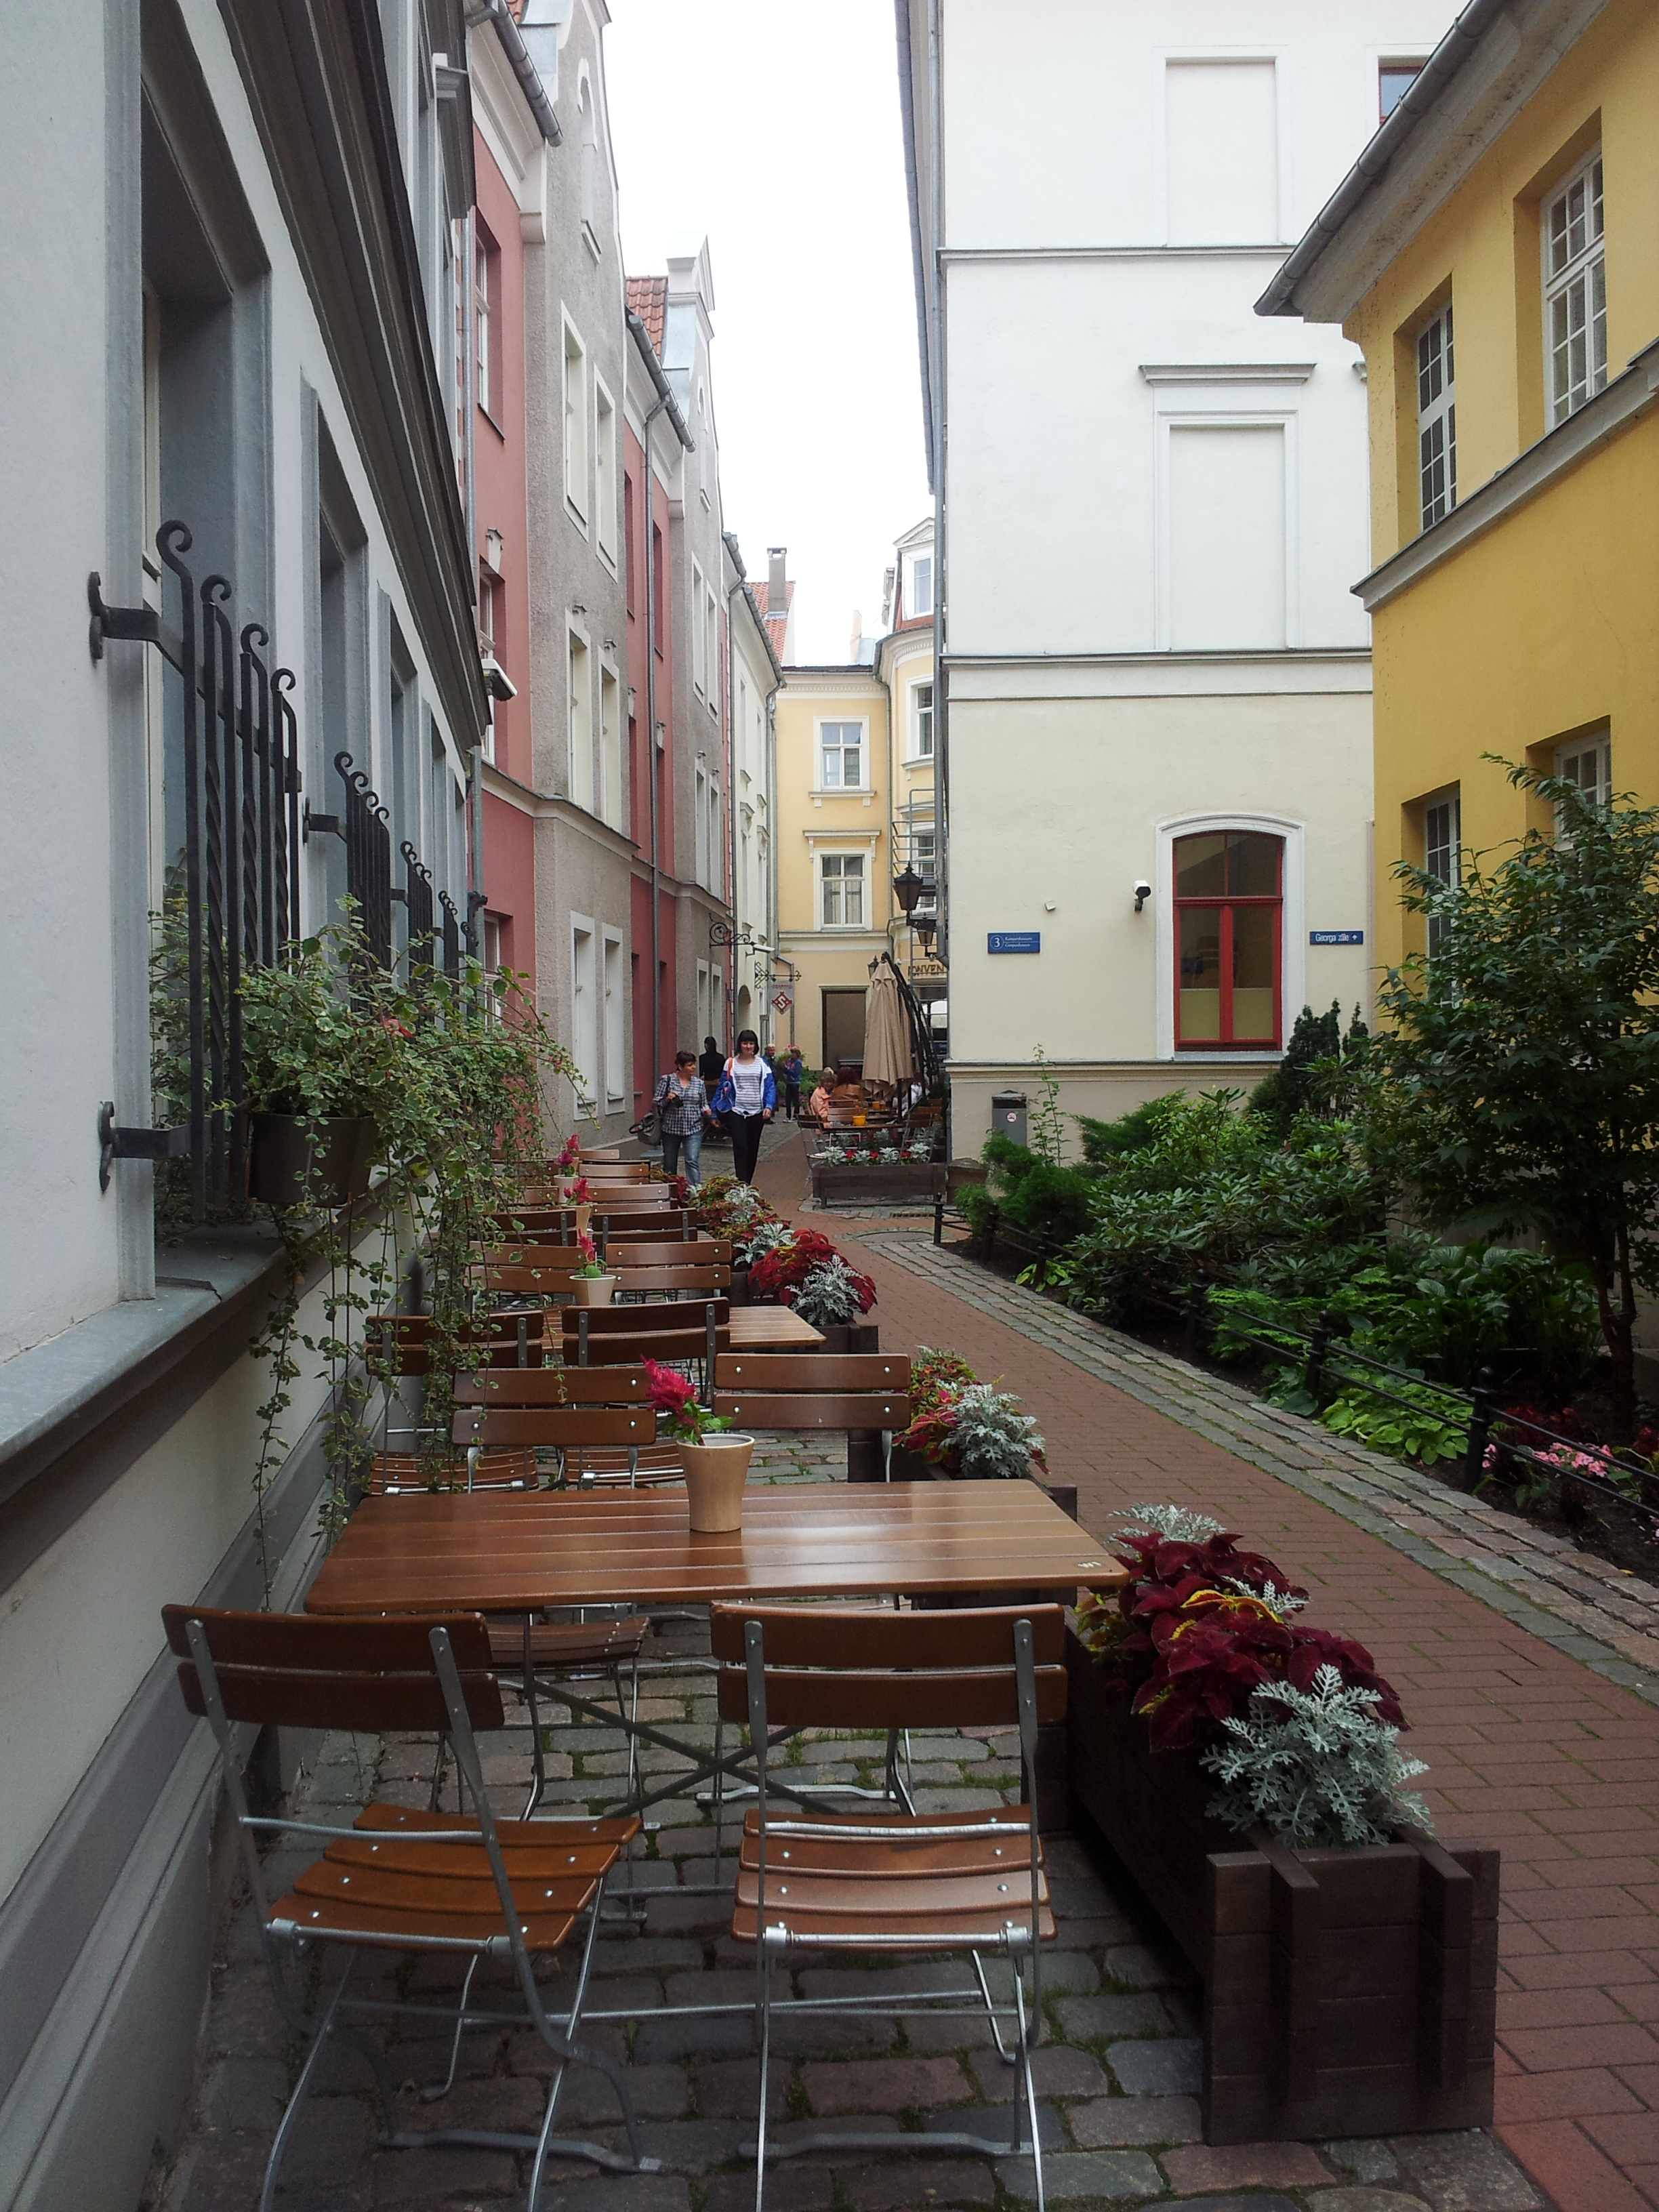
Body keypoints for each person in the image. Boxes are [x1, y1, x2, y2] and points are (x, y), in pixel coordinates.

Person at [711, 1028, 776, 1184]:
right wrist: (714, 1112)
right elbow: (721, 1087)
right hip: (736, 1111)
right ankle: (741, 1182)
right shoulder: (730, 1063)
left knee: (752, 1148)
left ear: (755, 1045)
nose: (748, 1046)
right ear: (739, 1044)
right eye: (745, 1043)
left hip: (757, 1112)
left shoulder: (762, 1064)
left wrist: (769, 1105)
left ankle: (747, 1182)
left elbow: (770, 1086)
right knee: (740, 1146)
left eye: (751, 1043)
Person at [651, 1050, 710, 1187]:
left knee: (692, 1160)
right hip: (671, 1129)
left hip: (694, 1128)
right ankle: (670, 1190)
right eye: (690, 1065)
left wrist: (707, 1111)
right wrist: (667, 1099)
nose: (693, 1067)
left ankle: (695, 1191)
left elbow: (703, 1103)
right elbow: (657, 1104)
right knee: (670, 1163)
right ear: (680, 1066)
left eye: (694, 1064)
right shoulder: (667, 1080)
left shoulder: (699, 1083)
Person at [779, 1046, 804, 1120]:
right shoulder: (789, 1061)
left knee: (795, 1100)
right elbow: (787, 1071)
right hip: (789, 1082)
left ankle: (796, 1115)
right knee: (788, 1100)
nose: (792, 1054)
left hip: (795, 1082)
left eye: (794, 1053)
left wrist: (788, 1068)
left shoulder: (798, 1062)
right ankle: (788, 1115)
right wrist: (784, 1068)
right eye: (792, 1053)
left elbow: (796, 1073)